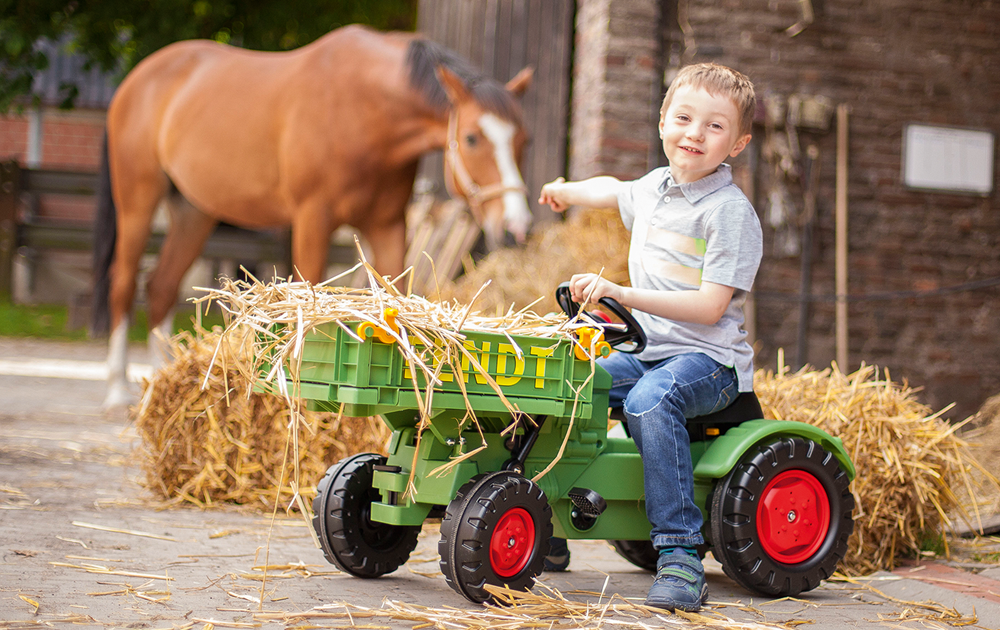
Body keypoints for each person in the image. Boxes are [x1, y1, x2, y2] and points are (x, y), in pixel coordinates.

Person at [537, 62, 761, 612]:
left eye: (715, 127)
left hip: (708, 361)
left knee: (650, 399)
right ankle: (547, 524)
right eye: (684, 118)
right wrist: (565, 190)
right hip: (648, 351)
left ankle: (681, 556)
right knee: (565, 383)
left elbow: (711, 309)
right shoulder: (655, 189)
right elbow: (612, 189)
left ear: (738, 144)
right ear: (663, 122)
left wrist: (623, 293)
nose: (695, 134)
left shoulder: (729, 213)